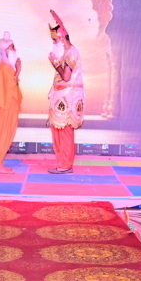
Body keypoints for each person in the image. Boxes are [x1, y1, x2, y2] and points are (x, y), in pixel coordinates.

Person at [47, 10, 83, 174]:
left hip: (67, 100)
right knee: (59, 130)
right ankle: (63, 163)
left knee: (65, 131)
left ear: (62, 39)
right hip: (62, 98)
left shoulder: (71, 53)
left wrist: (55, 64)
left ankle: (66, 164)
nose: (54, 43)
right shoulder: (66, 53)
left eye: (55, 40)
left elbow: (66, 77)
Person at [0, 33, 22, 175]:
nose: (15, 50)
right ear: (6, 51)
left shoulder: (6, 66)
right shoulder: (5, 67)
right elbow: (11, 84)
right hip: (6, 104)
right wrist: (18, 70)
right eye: (12, 47)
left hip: (7, 104)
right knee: (4, 133)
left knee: (5, 132)